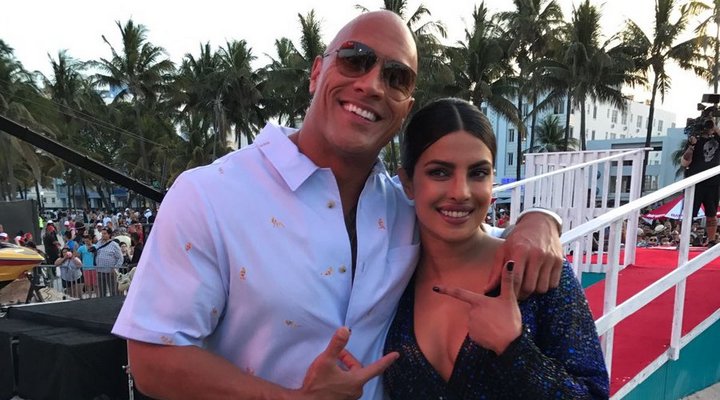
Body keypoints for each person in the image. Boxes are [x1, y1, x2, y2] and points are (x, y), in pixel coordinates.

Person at [112, 11, 564, 399]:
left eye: (396, 77)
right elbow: (152, 359)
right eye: (355, 59)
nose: (371, 85)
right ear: (316, 72)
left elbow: (478, 235)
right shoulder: (209, 194)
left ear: (405, 107)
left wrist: (540, 221)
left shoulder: (404, 206)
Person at [383, 98, 608, 399]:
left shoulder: (535, 271)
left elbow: (593, 394)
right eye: (439, 172)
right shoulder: (392, 282)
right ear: (408, 183)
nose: (461, 192)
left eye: (478, 173)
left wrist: (514, 350)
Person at [681, 119, 720, 247]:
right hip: (695, 183)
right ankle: (684, 239)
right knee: (689, 213)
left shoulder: (717, 139)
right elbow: (685, 162)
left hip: (713, 182)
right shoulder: (694, 141)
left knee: (712, 213)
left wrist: (714, 127)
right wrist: (692, 146)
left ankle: (711, 240)